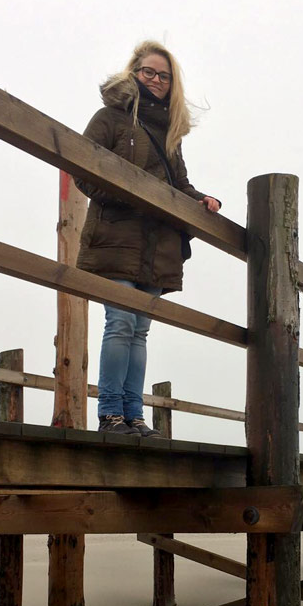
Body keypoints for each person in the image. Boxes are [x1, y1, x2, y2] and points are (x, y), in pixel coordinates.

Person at [75, 40, 220, 437]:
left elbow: (179, 184)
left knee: (139, 329)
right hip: (116, 239)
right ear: (134, 73)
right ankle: (111, 415)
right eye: (148, 72)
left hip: (157, 247)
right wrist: (132, 196)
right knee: (120, 322)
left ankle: (134, 415)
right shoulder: (110, 118)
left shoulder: (169, 133)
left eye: (164, 76)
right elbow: (83, 171)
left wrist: (201, 201)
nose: (156, 80)